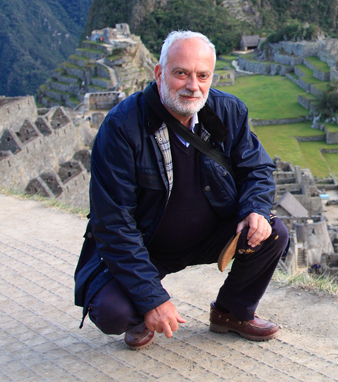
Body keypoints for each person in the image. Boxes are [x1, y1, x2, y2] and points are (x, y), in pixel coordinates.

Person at [74, 30, 289, 350]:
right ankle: (139, 318)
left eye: (202, 75)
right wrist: (152, 300)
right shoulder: (121, 128)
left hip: (208, 234)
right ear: (159, 73)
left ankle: (231, 312)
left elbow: (255, 168)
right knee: (112, 312)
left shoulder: (228, 111)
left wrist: (255, 208)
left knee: (270, 231)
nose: (193, 85)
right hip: (146, 244)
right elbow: (113, 223)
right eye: (181, 73)